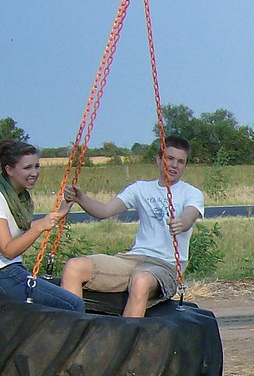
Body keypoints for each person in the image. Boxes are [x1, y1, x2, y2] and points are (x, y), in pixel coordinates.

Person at [61, 135, 204, 318]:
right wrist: (80, 198)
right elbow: (104, 211)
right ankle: (73, 334)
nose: (174, 165)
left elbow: (189, 216)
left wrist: (181, 223)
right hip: (132, 259)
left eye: (180, 161)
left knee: (141, 281)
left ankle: (125, 343)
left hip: (165, 266)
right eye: (170, 158)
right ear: (159, 159)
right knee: (74, 267)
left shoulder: (191, 193)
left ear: (185, 165)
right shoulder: (140, 189)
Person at [0, 140, 85, 312]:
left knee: (64, 294)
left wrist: (60, 212)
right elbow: (8, 250)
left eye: (37, 166)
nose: (34, 173)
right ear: (9, 170)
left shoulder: (19, 197)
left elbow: (17, 229)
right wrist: (39, 227)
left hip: (10, 270)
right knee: (73, 304)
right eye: (27, 168)